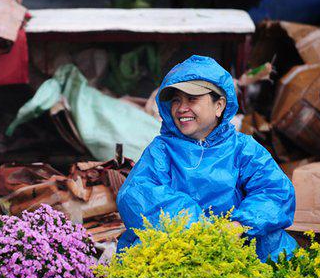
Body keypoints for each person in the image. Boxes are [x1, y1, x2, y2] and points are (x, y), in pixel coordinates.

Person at [116, 55, 297, 262]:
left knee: (275, 247)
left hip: (236, 241)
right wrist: (199, 229)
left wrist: (237, 226)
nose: (181, 108)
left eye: (192, 99)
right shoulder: (162, 150)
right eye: (176, 100)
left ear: (219, 106)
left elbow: (275, 191)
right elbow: (135, 193)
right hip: (180, 245)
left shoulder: (243, 148)